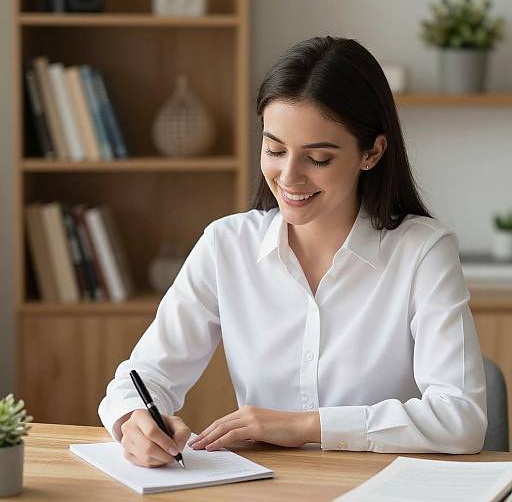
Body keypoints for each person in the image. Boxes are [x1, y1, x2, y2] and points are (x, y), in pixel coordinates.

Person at [99, 36, 487, 468]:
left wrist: (307, 426)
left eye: (317, 158)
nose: (288, 177)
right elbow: (142, 376)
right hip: (268, 488)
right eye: (275, 149)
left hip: (380, 488)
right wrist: (134, 419)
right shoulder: (226, 245)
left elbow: (462, 418)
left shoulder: (423, 253)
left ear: (372, 153)